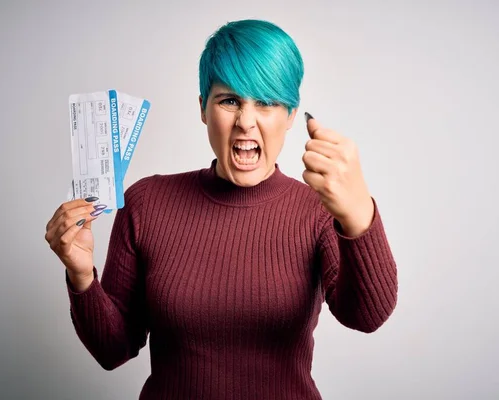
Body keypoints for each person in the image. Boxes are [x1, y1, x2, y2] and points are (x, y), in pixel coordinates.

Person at [45, 19, 398, 400]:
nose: (246, 122)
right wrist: (82, 277)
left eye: (265, 101)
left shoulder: (317, 210)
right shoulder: (147, 203)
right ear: (203, 109)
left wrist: (359, 216)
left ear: (292, 115)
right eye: (229, 100)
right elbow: (114, 350)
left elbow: (366, 317)